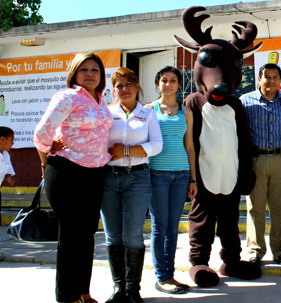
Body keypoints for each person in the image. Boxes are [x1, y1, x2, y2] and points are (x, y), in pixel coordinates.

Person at [33, 52, 113, 303]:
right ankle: (67, 297)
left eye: (95, 70)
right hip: (67, 171)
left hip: (95, 172)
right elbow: (42, 131)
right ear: (75, 73)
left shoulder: (101, 99)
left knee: (86, 234)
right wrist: (46, 160)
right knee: (69, 236)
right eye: (84, 69)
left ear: (101, 76)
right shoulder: (67, 97)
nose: (90, 73)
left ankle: (83, 292)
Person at [101, 67, 163, 303]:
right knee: (113, 235)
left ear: (137, 87)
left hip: (137, 178)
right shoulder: (106, 113)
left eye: (128, 84)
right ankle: (118, 288)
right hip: (108, 178)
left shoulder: (147, 114)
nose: (124, 89)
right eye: (119, 86)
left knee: (133, 236)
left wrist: (126, 151)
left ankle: (132, 289)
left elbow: (157, 145)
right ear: (113, 90)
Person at [144, 66, 197, 294]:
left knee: (173, 228)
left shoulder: (186, 112)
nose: (168, 84)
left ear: (178, 84)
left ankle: (170, 275)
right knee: (159, 227)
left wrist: (193, 179)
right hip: (157, 174)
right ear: (158, 83)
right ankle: (161, 277)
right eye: (164, 80)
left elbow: (190, 147)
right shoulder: (148, 109)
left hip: (181, 175)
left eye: (173, 80)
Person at [241, 63, 281, 266]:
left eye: (275, 77)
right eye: (267, 77)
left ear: (280, 81)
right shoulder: (245, 101)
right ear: (259, 79)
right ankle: (255, 251)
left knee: (280, 208)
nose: (271, 81)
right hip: (256, 160)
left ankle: (280, 251)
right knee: (256, 208)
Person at [0, 126, 16, 219]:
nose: (12, 143)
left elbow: (7, 172)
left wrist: (9, 178)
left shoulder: (6, 155)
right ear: (2, 139)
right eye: (11, 140)